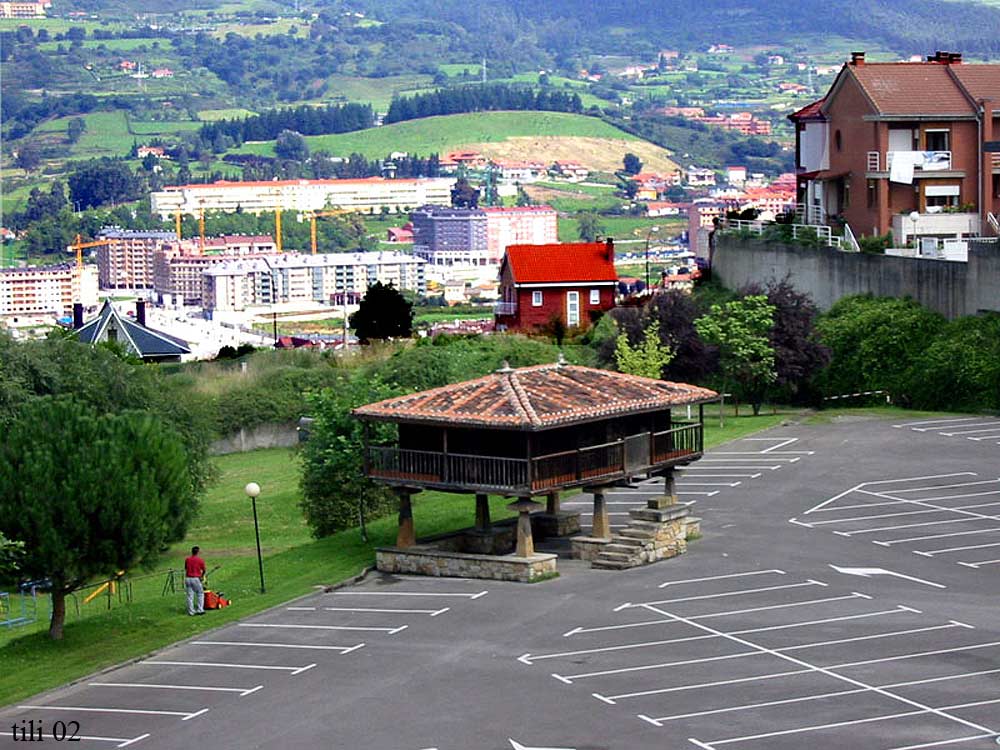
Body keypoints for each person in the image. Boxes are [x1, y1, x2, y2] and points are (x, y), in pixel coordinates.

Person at [184, 546, 207, 616]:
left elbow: (186, 568)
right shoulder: (200, 560)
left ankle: (191, 611)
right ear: (198, 552)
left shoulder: (187, 559)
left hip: (188, 578)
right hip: (195, 578)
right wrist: (202, 576)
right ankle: (200, 610)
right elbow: (204, 570)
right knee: (200, 593)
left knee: (190, 596)